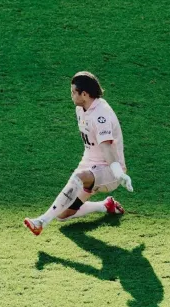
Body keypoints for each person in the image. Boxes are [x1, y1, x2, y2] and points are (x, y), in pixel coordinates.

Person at [24, 71, 133, 236]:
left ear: (85, 94)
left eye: (73, 92)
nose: (71, 96)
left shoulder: (101, 115)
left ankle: (41, 221)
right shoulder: (81, 109)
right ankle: (105, 206)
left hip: (109, 169)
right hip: (89, 164)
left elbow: (106, 148)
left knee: (79, 178)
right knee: (62, 214)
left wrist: (119, 173)